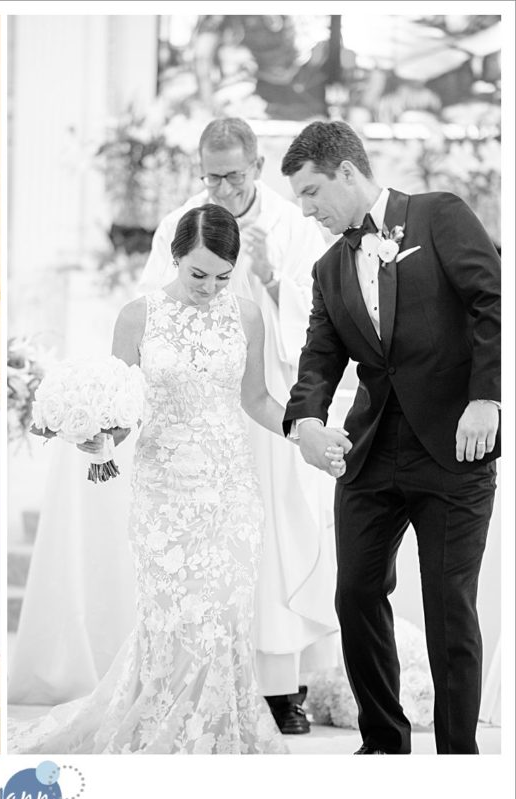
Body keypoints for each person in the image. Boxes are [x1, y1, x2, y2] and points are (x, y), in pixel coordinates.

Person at [9, 204, 347, 754]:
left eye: (222, 277)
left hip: (231, 491)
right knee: (171, 620)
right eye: (198, 274)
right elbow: (124, 406)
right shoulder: (137, 317)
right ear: (176, 258)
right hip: (163, 493)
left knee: (225, 617)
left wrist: (301, 430)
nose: (210, 288)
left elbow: (256, 398)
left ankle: (218, 731)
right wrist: (97, 437)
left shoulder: (247, 317)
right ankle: (164, 725)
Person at [281, 120, 501, 754]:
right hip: (371, 450)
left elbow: (493, 302)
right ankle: (383, 741)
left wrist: (487, 398)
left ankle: (459, 756)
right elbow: (319, 357)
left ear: (348, 173)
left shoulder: (439, 215)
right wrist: (309, 423)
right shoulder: (328, 267)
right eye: (301, 196)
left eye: (313, 191)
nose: (309, 208)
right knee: (354, 594)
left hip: (455, 446)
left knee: (448, 603)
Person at [141, 117, 338, 734]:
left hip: (268, 394)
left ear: (256, 166)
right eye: (211, 175)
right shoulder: (182, 222)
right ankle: (199, 681)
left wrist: (274, 276)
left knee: (276, 541)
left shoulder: (296, 220)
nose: (221, 188)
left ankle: (282, 686)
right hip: (196, 409)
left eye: (232, 175)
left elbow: (324, 316)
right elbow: (153, 307)